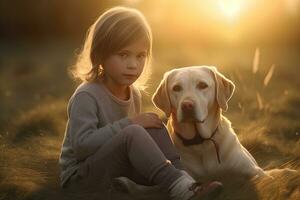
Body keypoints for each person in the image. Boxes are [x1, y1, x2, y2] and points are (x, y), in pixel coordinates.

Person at [59, 6, 223, 200]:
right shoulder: (87, 95)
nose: (133, 64)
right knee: (134, 130)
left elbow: (124, 143)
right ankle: (178, 187)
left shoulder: (133, 93)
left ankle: (184, 181)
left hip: (113, 169)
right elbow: (82, 147)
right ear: (100, 55)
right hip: (80, 179)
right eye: (123, 55)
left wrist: (141, 126)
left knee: (152, 123)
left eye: (140, 56)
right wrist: (131, 124)